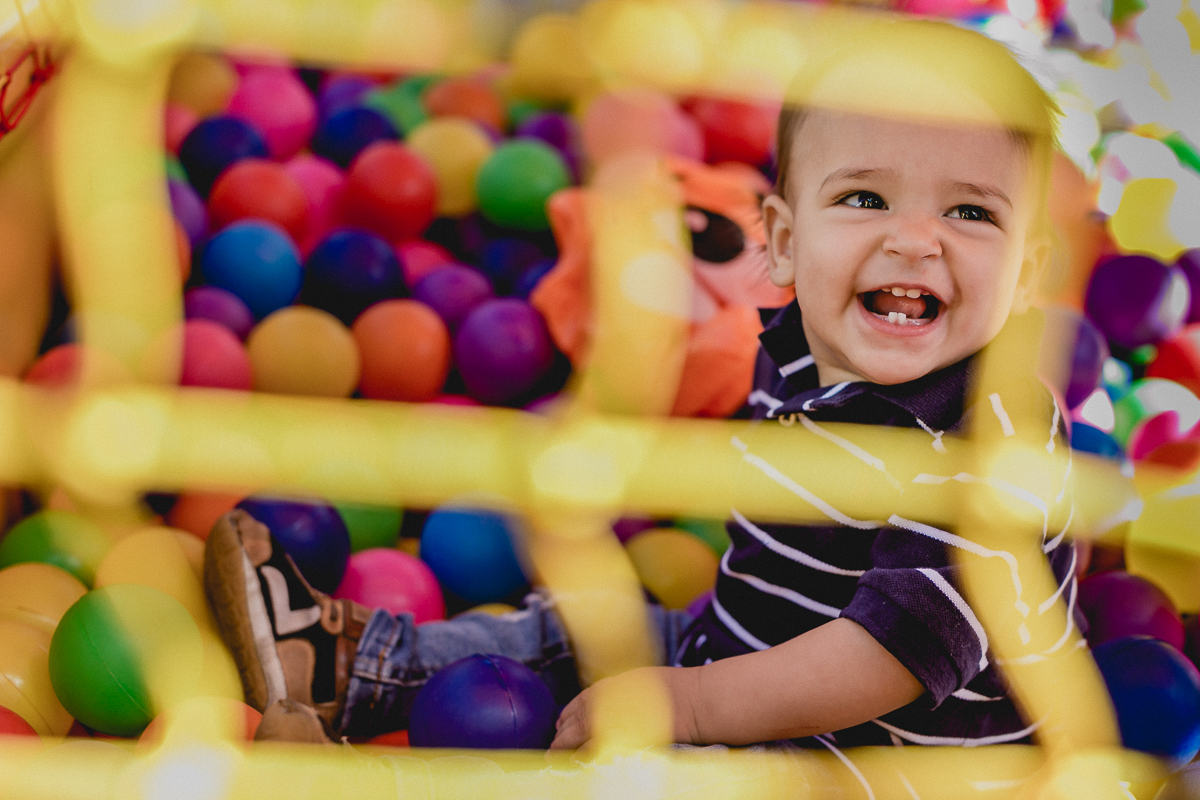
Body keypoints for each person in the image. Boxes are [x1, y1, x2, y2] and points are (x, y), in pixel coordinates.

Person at [205, 17, 1081, 750]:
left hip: (875, 757)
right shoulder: (796, 344)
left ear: (1030, 270)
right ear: (779, 242)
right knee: (583, 621)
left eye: (971, 212)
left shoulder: (995, 437)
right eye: (864, 200)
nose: (916, 240)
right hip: (732, 653)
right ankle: (346, 670)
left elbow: (887, 656)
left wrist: (691, 706)